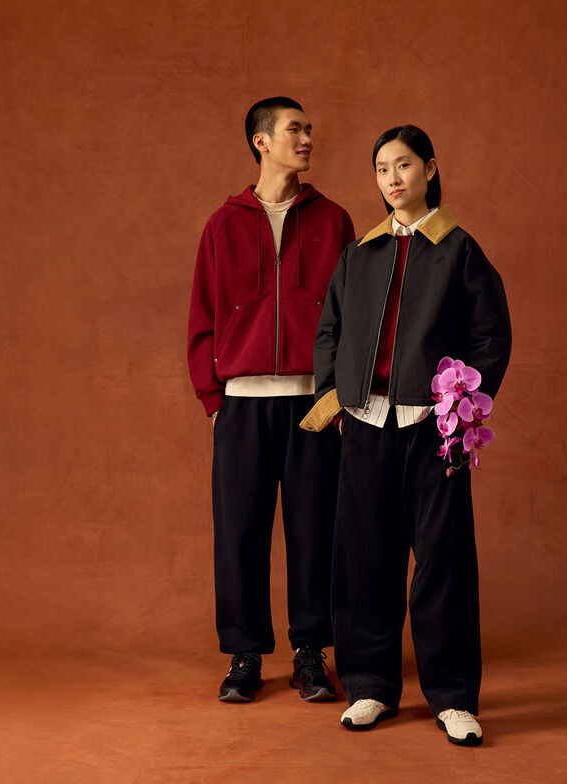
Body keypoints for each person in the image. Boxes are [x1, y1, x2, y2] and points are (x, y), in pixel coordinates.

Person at [303, 125, 511, 745]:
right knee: (366, 555)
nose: (392, 179)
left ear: (430, 168)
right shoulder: (359, 254)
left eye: (403, 166)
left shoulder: (459, 249)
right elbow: (329, 331)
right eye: (381, 169)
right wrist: (333, 395)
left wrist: (464, 405)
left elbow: (490, 336)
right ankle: (369, 685)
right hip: (366, 423)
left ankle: (451, 696)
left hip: (434, 428)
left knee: (442, 559)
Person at [187, 97, 356, 702]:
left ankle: (312, 653)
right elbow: (202, 316)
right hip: (241, 403)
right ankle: (244, 655)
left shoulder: (334, 220)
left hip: (314, 401)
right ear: (262, 141)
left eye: (309, 128)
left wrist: (339, 394)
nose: (308, 137)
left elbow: (353, 316)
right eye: (295, 129)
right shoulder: (223, 225)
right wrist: (215, 399)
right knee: (239, 532)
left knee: (316, 531)